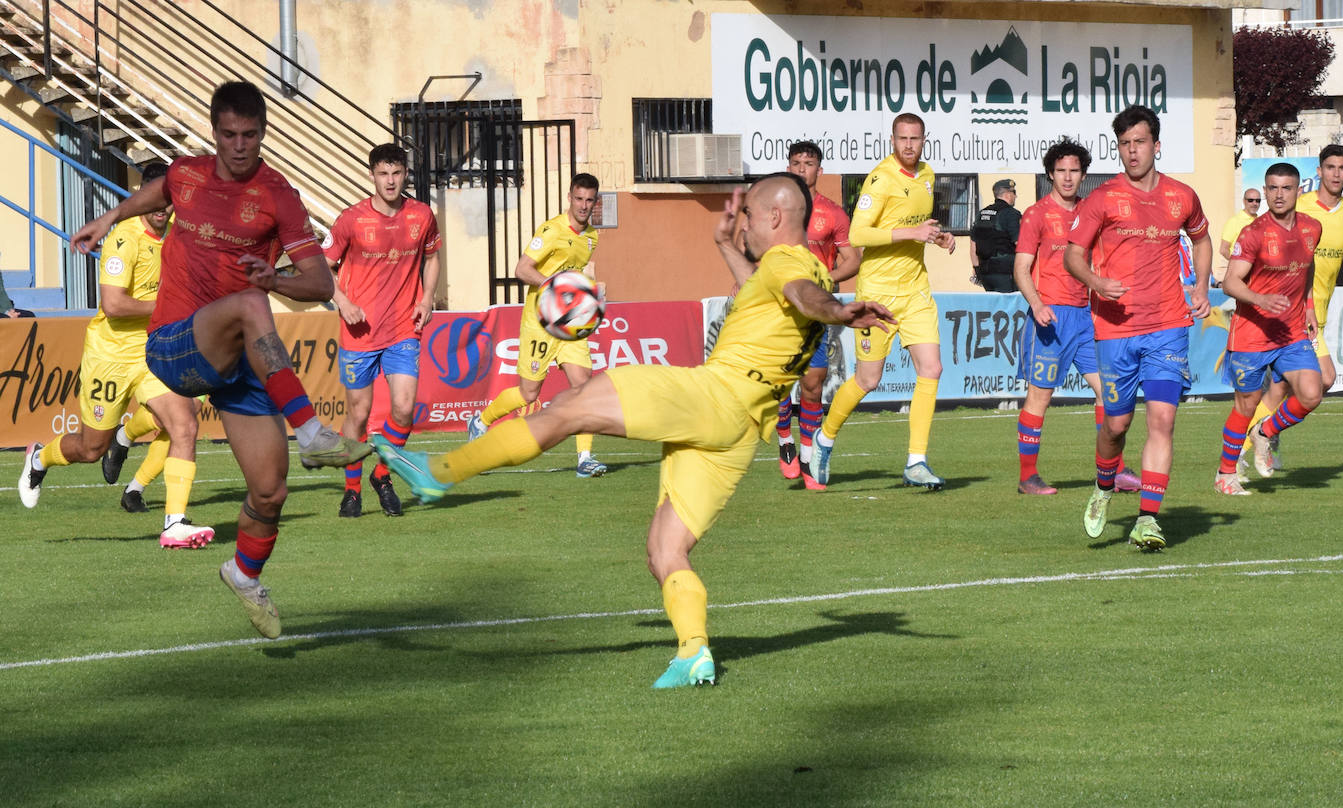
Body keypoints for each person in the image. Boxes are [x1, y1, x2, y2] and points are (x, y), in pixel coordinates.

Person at [373, 174, 895, 688]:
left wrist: (841, 313)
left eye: (752, 217)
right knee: (664, 550)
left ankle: (440, 471)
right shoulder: (804, 266)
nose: (745, 227)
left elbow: (803, 297)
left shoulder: (790, 265)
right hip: (737, 432)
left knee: (571, 404)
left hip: (712, 395)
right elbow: (779, 295)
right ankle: (695, 652)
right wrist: (729, 249)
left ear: (776, 217)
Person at [66, 81, 373, 639]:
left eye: (250, 135)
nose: (239, 145)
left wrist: (276, 276)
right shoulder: (190, 174)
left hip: (241, 356)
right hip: (174, 343)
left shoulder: (279, 196)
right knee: (253, 304)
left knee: (270, 489)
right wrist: (109, 219)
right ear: (214, 132)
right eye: (229, 134)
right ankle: (311, 431)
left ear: (263, 133)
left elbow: (320, 281)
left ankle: (244, 573)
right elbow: (158, 191)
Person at [16, 162, 215, 549]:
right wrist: (169, 306)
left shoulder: (179, 236)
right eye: (155, 199)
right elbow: (114, 304)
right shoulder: (123, 238)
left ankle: (174, 522)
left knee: (185, 424)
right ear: (142, 196)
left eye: (168, 200)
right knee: (91, 448)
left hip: (153, 352)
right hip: (110, 355)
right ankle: (40, 459)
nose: (162, 208)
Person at [1064, 105, 1212, 552]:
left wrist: (1202, 285)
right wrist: (1094, 281)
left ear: (1156, 145)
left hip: (1168, 324)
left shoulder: (1182, 196)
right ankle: (1104, 485)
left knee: (1162, 419)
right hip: (1115, 329)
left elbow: (1202, 238)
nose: (1132, 151)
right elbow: (1073, 254)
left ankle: (1148, 519)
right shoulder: (1102, 198)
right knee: (1117, 423)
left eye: (1140, 142)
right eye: (1125, 144)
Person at [810, 113, 957, 491]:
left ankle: (916, 461)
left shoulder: (927, 174)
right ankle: (824, 439)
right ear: (892, 139)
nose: (909, 145)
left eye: (916, 139)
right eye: (902, 138)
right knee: (868, 379)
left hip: (916, 291)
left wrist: (938, 236)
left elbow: (918, 223)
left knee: (932, 367)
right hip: (878, 294)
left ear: (925, 140)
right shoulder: (881, 177)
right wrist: (913, 231)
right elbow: (859, 233)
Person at [1011, 138, 1141, 496]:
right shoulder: (1036, 215)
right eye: (1061, 171)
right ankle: (1028, 477)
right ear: (1050, 174)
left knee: (1109, 393)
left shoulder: (1090, 212)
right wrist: (1037, 305)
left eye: (1074, 171)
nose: (1068, 178)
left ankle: (1112, 471)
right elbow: (1021, 268)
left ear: (1084, 175)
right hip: (1050, 319)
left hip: (1087, 318)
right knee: (1040, 397)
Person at [325, 143, 441, 518]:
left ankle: (381, 475)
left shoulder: (422, 215)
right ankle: (352, 491)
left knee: (404, 411)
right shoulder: (351, 220)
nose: (390, 181)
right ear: (372, 176)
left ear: (405, 174)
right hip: (359, 334)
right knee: (358, 415)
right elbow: (320, 267)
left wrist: (426, 300)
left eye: (396, 173)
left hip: (403, 329)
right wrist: (342, 302)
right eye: (383, 174)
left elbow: (432, 256)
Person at [466, 173, 609, 478]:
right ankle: (480, 421)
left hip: (570, 324)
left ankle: (585, 458)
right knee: (529, 394)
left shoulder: (592, 236)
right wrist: (555, 287)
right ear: (569, 197)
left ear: (595, 202)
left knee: (583, 388)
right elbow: (522, 269)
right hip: (540, 322)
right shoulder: (552, 230)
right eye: (579, 198)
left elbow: (575, 275)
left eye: (589, 200)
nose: (583, 205)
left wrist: (590, 302)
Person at [1241, 144, 1343, 471]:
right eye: (1330, 167)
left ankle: (1242, 452)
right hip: (1295, 312)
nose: (1336, 174)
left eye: (1342, 168)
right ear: (1319, 171)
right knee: (1325, 378)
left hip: (1320, 314)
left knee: (1281, 388)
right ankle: (1262, 434)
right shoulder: (1299, 206)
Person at [1214, 162, 1323, 495]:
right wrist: (1260, 298)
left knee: (1312, 393)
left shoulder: (1312, 228)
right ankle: (1225, 475)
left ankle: (1265, 432)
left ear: (1298, 190)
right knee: (1245, 406)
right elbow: (1230, 282)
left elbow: (1307, 264)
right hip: (1252, 334)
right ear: (1264, 192)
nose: (1278, 195)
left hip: (1290, 332)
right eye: (1272, 188)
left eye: (1286, 188)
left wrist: (1308, 307)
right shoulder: (1254, 233)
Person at [774, 140, 860, 491]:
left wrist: (828, 279)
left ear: (819, 170)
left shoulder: (833, 214)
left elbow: (852, 260)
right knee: (779, 383)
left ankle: (808, 458)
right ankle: (785, 439)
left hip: (815, 309)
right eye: (795, 163)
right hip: (778, 307)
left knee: (813, 382)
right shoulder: (773, 208)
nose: (801, 169)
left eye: (808, 163)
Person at [970, 178, 1021, 292]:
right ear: (1007, 194)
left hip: (985, 273)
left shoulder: (981, 214)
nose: (1015, 196)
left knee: (993, 307)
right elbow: (1019, 243)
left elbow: (973, 244)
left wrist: (976, 269)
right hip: (1005, 273)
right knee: (1010, 308)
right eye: (1014, 193)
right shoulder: (1011, 214)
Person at [1218, 188, 1261, 262]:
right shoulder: (1234, 221)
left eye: (1258, 201)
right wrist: (1238, 265)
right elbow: (1223, 250)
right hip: (1241, 271)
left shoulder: (1260, 221)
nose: (1254, 203)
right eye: (1250, 200)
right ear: (1244, 201)